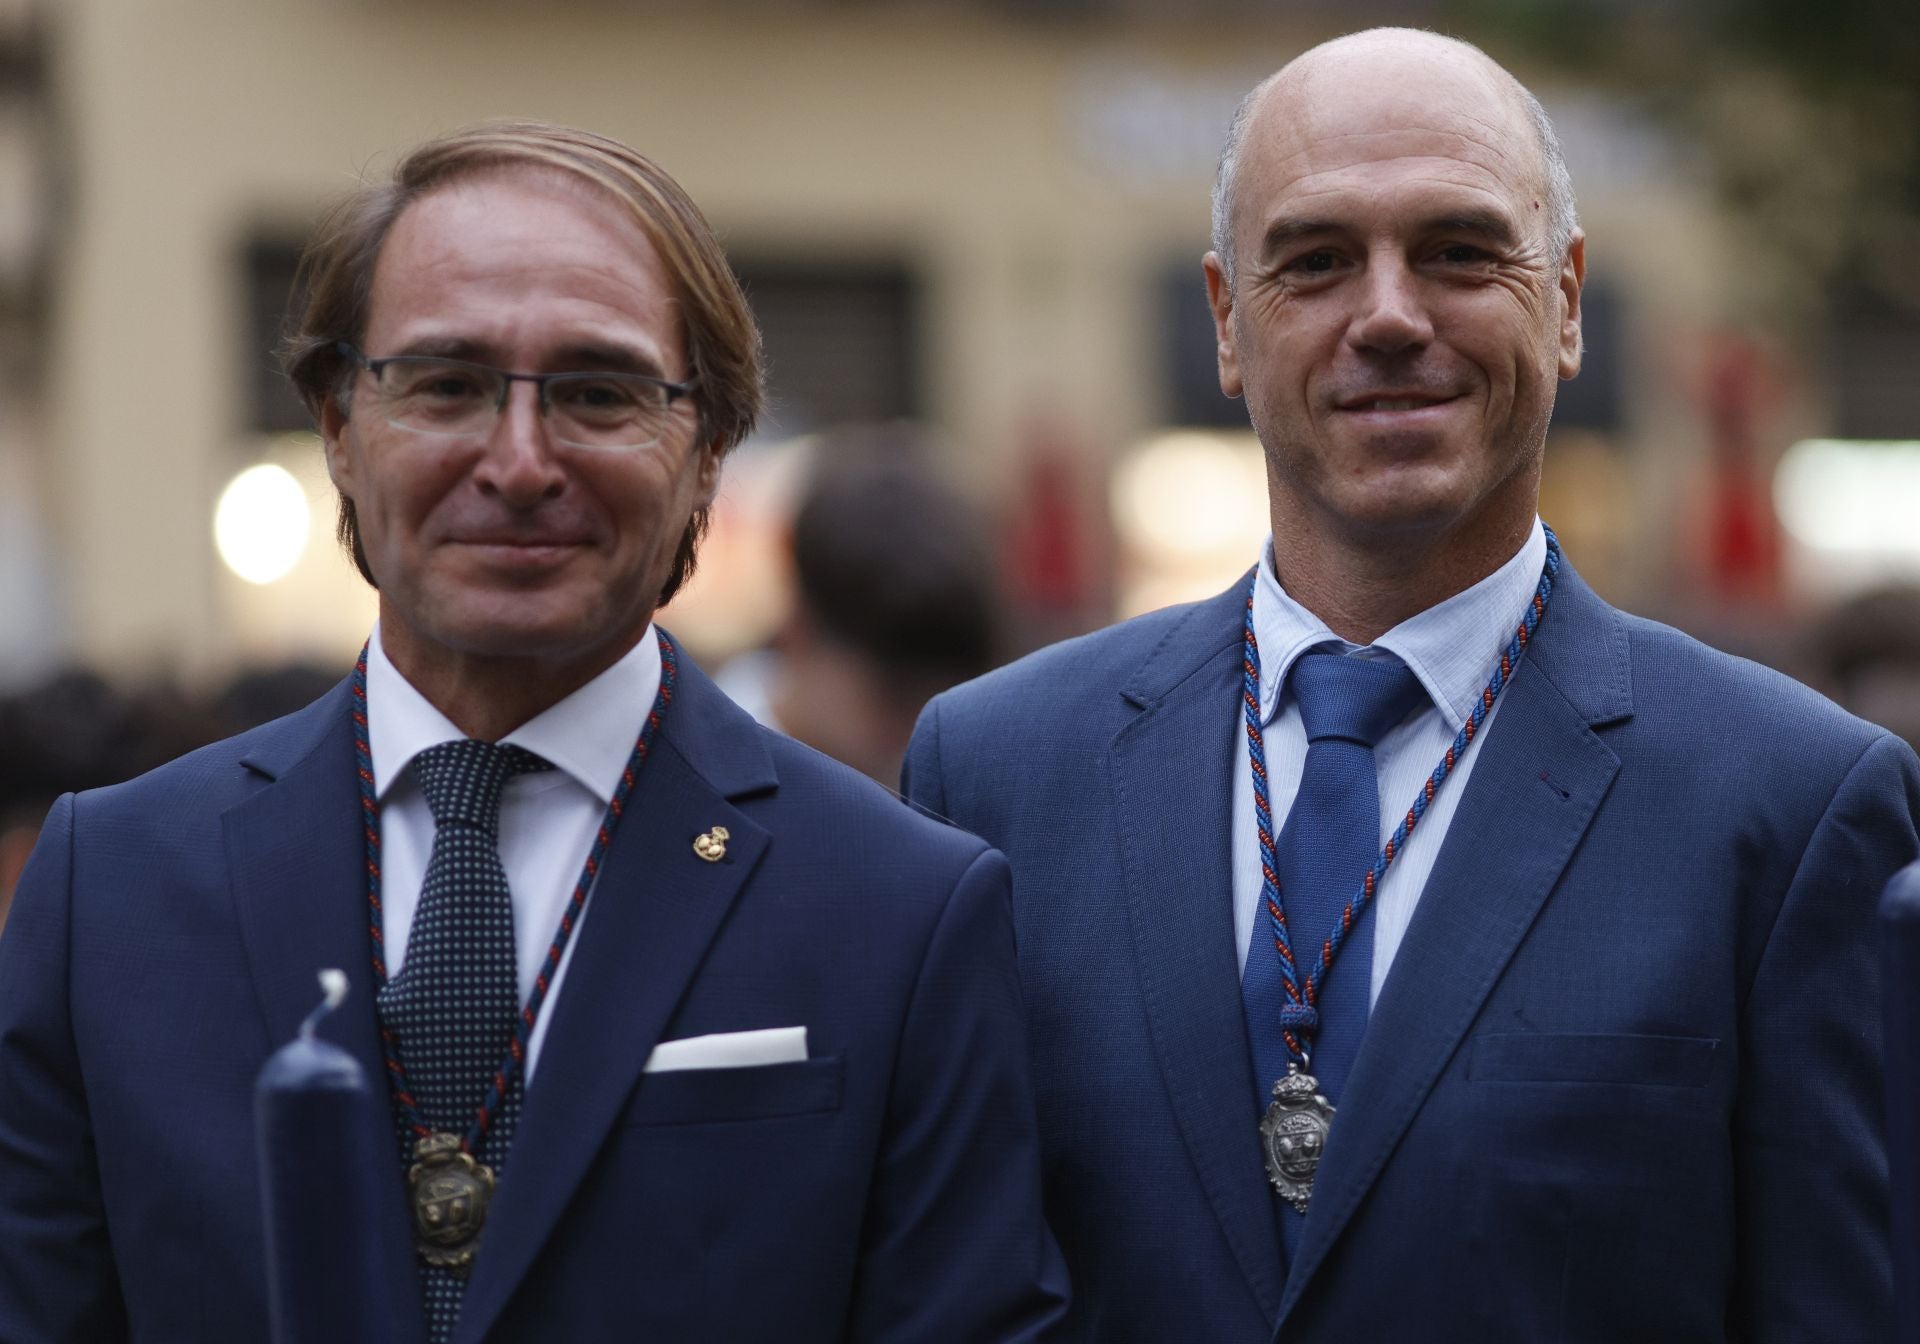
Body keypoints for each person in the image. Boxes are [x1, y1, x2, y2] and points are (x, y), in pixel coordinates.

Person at [904, 28, 1920, 1342]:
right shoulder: (995, 771)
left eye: (1457, 250)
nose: (1388, 316)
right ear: (1226, 321)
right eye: (1317, 260)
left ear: (1564, 304)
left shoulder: (1788, 803)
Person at [0, 121, 1064, 1343]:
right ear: (338, 426)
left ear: (708, 453)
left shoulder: (902, 910)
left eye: (597, 393)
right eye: (446, 383)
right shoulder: (114, 888)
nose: (518, 461)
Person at [721, 438, 1000, 785]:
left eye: (951, 701)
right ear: (799, 630)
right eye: (896, 698)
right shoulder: (703, 768)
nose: (922, 732)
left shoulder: (957, 787)